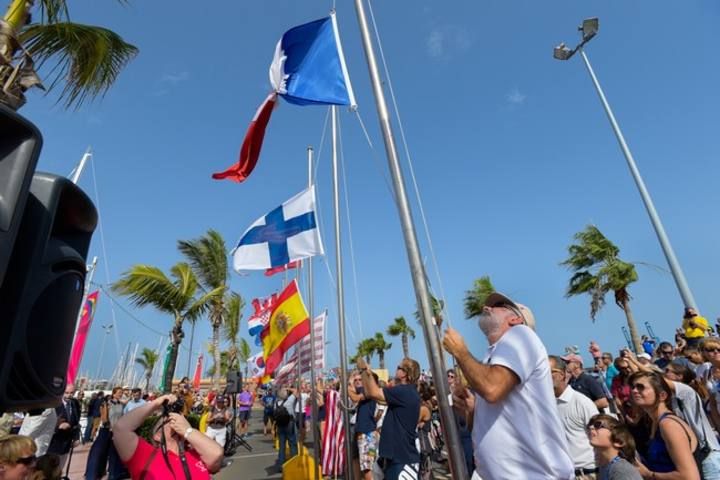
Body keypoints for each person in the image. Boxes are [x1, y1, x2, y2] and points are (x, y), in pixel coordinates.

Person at [442, 292, 573, 479]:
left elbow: (492, 389)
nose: (486, 308)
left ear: (515, 319)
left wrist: (461, 352)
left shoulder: (522, 334)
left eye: (498, 306)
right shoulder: (493, 359)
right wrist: (472, 411)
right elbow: (489, 427)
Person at [112, 394, 223, 479]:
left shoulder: (195, 453)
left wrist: (188, 431)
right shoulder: (145, 456)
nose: (175, 420)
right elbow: (121, 428)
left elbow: (216, 454)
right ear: (157, 436)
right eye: (168, 420)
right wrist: (156, 403)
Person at [356, 356, 421, 480]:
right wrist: (366, 373)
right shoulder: (407, 392)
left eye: (398, 367)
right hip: (398, 457)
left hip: (403, 459)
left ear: (405, 374)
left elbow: (373, 393)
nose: (395, 369)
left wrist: (364, 370)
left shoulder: (404, 392)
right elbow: (373, 393)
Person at [629, 370, 700, 479]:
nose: (634, 391)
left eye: (640, 387)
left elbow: (689, 477)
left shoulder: (669, 425)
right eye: (633, 387)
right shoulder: (653, 423)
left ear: (662, 395)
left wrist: (649, 474)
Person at [549, 355, 599, 479]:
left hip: (586, 474)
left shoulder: (582, 402)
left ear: (561, 375)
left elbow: (600, 437)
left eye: (548, 372)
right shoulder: (546, 405)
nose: (542, 376)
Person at [585, 414, 642, 480]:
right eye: (589, 426)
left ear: (618, 441)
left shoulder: (622, 470)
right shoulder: (604, 467)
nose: (591, 428)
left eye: (597, 425)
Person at [348, 371, 379, 480]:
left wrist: (348, 383)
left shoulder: (368, 390)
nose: (357, 382)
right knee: (357, 460)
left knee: (367, 468)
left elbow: (355, 398)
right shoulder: (361, 391)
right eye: (355, 380)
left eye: (359, 380)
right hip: (361, 432)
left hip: (368, 434)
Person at [47, 385, 81, 471]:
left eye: (71, 393)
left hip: (67, 443)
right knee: (50, 469)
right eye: (67, 393)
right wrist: (57, 426)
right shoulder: (54, 404)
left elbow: (76, 421)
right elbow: (46, 423)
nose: (69, 395)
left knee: (60, 469)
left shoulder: (74, 403)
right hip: (54, 443)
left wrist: (76, 438)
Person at [274, 388, 297, 469]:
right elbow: (296, 391)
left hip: (280, 424)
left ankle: (281, 464)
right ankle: (294, 462)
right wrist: (288, 388)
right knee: (292, 443)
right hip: (289, 423)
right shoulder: (289, 401)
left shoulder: (276, 403)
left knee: (282, 445)